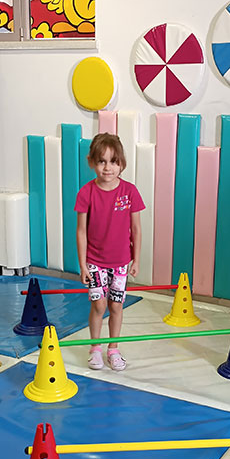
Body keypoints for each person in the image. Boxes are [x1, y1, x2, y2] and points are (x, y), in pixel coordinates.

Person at [75, 132, 144, 371]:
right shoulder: (86, 193)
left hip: (121, 262)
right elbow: (81, 231)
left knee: (116, 306)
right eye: (102, 161)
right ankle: (95, 348)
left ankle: (113, 348)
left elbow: (136, 228)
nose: (108, 168)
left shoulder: (129, 192)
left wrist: (136, 259)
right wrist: (82, 265)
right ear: (91, 162)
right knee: (99, 305)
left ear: (121, 163)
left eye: (113, 162)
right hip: (94, 261)